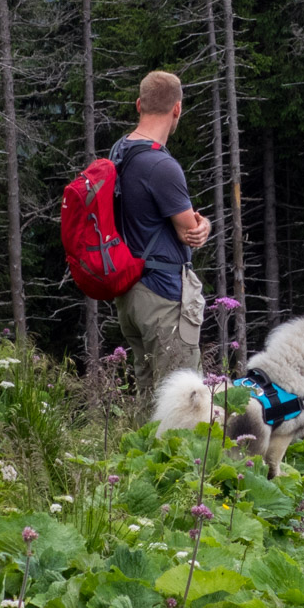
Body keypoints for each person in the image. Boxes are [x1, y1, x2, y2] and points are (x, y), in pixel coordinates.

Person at [113, 70, 212, 393]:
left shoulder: (120, 151)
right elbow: (190, 232)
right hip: (163, 295)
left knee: (149, 396)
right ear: (177, 108)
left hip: (130, 293)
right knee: (184, 398)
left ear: (139, 104)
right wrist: (205, 224)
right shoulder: (160, 165)